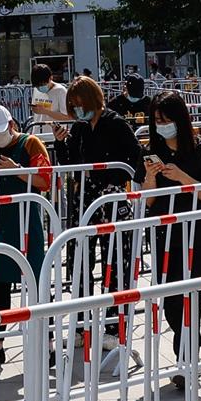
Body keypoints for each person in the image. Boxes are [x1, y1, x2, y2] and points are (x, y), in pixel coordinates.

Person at [143, 92, 201, 378]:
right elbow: (146, 201)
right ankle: (186, 352)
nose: (161, 125)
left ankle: (186, 359)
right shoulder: (154, 151)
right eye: (156, 120)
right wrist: (150, 179)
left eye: (166, 119)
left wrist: (183, 179)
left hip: (195, 235)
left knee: (192, 297)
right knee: (170, 301)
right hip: (163, 236)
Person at [0, 104, 53, 367]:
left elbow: (46, 180)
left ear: (12, 125)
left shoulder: (31, 143)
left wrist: (17, 168)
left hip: (27, 221)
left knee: (37, 280)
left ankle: (47, 343)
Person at [59, 77, 145, 295]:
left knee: (115, 255)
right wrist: (60, 142)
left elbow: (136, 156)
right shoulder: (80, 127)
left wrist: (118, 177)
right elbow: (69, 162)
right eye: (74, 106)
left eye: (80, 104)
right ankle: (82, 311)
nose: (78, 109)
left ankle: (115, 314)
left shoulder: (115, 122)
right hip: (85, 198)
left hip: (111, 197)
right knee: (81, 253)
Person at [29, 63, 69, 149]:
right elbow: (37, 110)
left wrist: (46, 111)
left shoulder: (60, 91)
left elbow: (68, 116)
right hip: (38, 135)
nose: (40, 87)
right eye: (37, 85)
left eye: (43, 84)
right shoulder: (36, 89)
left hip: (54, 137)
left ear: (51, 78)